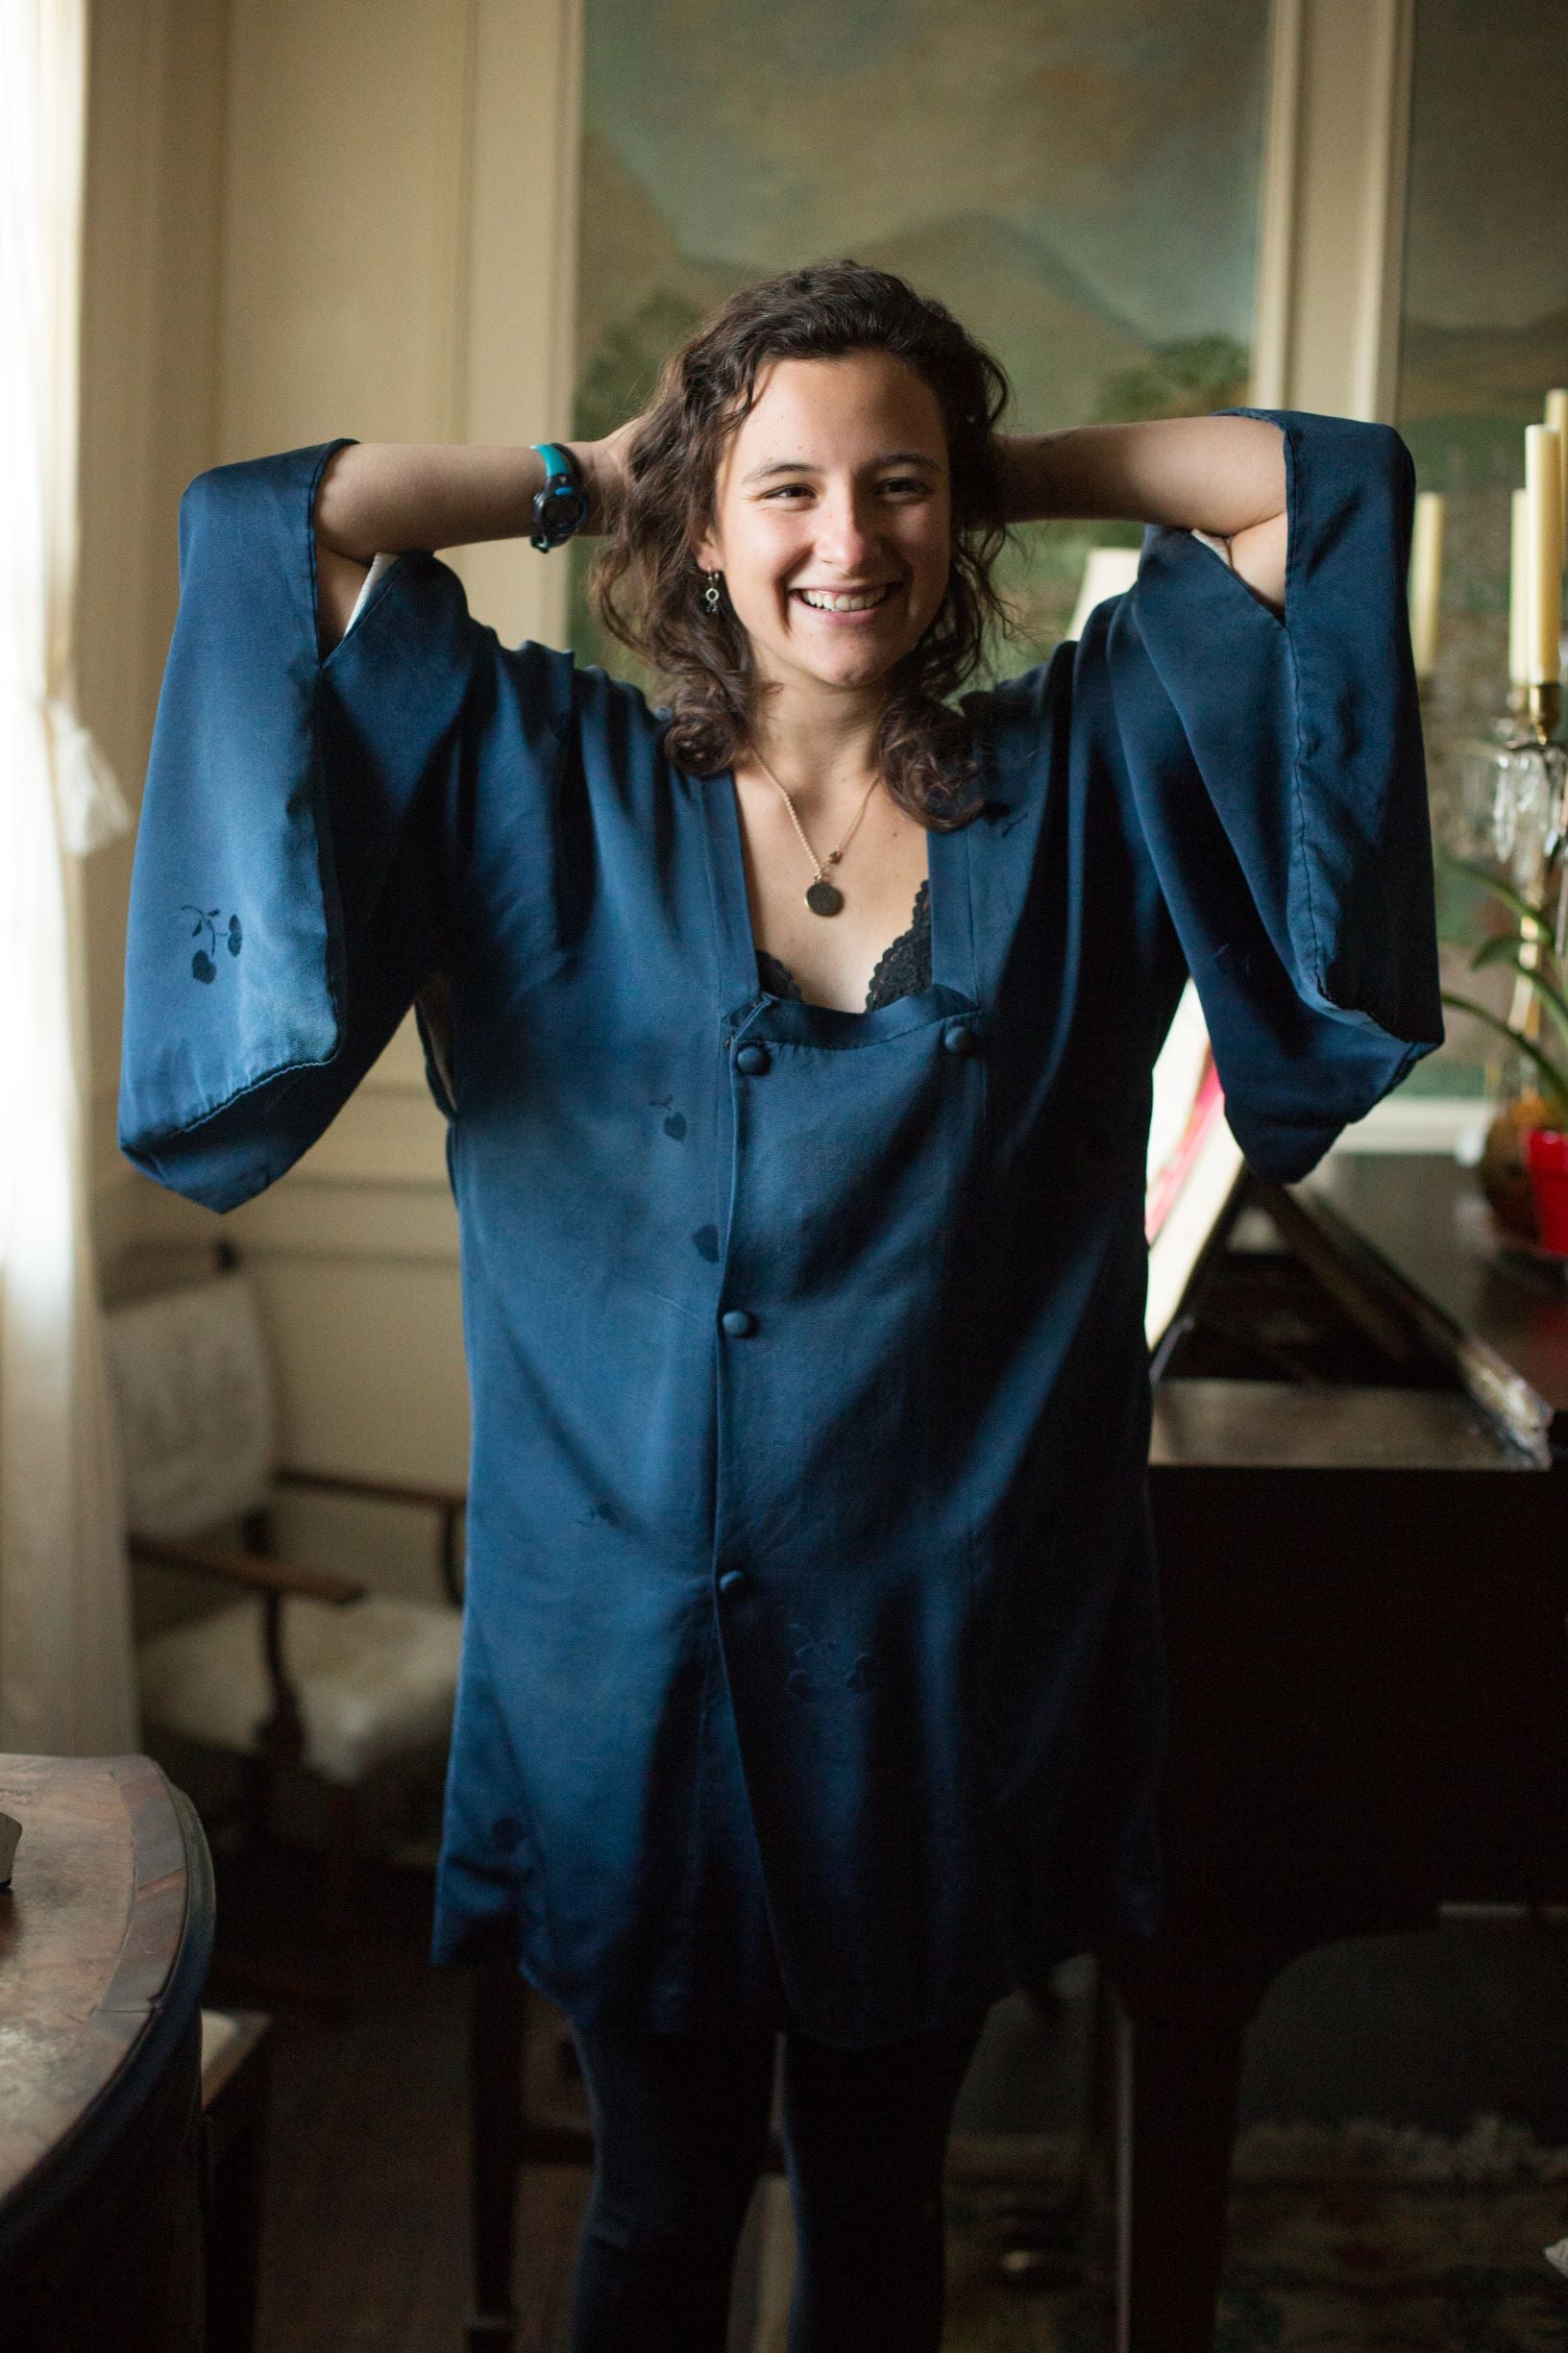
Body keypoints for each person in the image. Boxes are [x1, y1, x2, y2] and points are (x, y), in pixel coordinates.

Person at [119, 260, 1442, 2350]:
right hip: (628, 1671)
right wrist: (599, 466)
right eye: (788, 493)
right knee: (652, 2212)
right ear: (703, 525)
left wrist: (962, 456)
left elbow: (1319, 491)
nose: (848, 542)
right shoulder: (531, 773)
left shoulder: (1088, 770)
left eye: (902, 491)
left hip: (950, 1666)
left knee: (880, 2211)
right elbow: (273, 524)